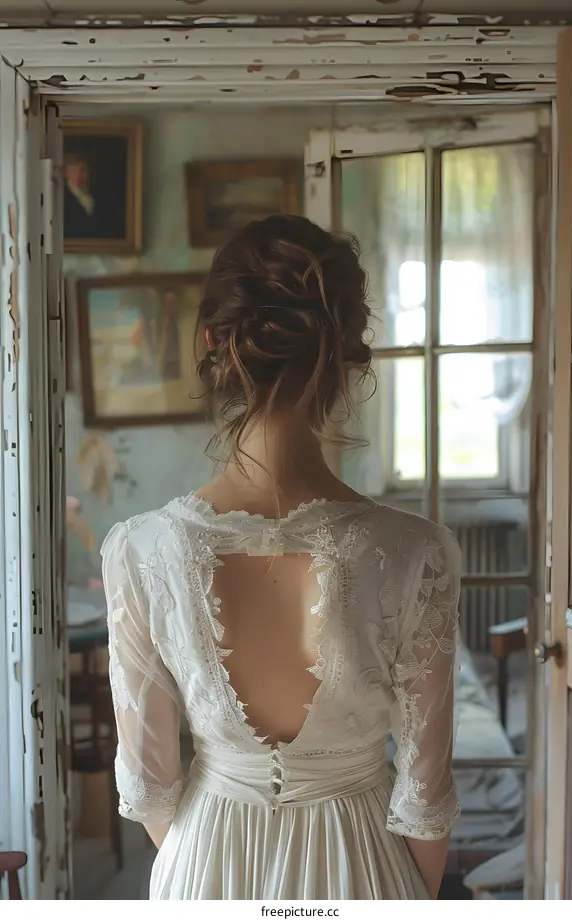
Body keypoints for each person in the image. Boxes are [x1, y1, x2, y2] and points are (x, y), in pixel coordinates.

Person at [102, 215, 461, 901]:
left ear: (213, 341)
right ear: (348, 353)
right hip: (367, 869)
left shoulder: (140, 550)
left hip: (204, 863)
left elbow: (150, 791)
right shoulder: (416, 554)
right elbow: (425, 797)